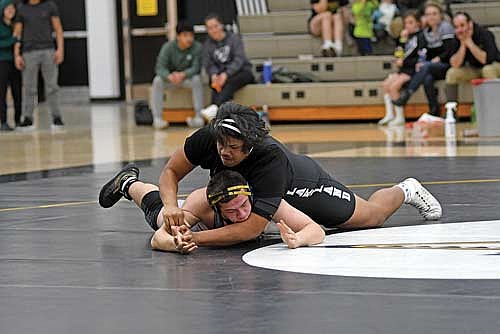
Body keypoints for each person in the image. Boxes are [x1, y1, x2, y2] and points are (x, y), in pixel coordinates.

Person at [158, 101, 442, 248]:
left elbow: (251, 229)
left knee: (370, 217)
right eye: (221, 145)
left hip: (301, 186)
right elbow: (171, 171)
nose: (224, 152)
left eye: (233, 148)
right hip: (248, 192)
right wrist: (170, 206)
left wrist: (198, 239)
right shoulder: (211, 137)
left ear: (250, 146)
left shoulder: (270, 159)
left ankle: (406, 189)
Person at [98, 166, 325, 253]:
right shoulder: (201, 203)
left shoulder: (263, 201)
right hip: (195, 218)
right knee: (160, 218)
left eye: (244, 205)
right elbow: (158, 239)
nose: (243, 214)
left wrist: (298, 239)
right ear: (216, 208)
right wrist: (176, 244)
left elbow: (315, 230)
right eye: (232, 211)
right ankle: (129, 184)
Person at [393, 2, 455, 116]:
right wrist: (422, 62)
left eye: (434, 14)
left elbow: (450, 51)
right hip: (432, 66)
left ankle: (408, 93)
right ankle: (434, 110)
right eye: (428, 14)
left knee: (425, 67)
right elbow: (422, 52)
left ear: (441, 15)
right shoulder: (426, 32)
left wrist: (437, 59)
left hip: (447, 64)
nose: (431, 17)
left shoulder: (445, 27)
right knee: (427, 79)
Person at [14, 0, 64, 130]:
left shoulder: (50, 5)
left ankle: (56, 117)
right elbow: (17, 33)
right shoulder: (21, 8)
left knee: (52, 86)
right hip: (28, 52)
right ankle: (28, 118)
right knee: (29, 87)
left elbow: (58, 29)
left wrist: (60, 49)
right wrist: (17, 54)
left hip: (48, 51)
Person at [200, 13, 254, 121]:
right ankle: (217, 117)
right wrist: (214, 74)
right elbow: (209, 64)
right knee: (215, 85)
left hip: (242, 72)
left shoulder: (234, 38)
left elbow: (239, 60)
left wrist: (226, 74)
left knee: (228, 82)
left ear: (221, 25)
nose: (214, 30)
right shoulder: (207, 45)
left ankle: (215, 108)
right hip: (221, 76)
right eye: (210, 28)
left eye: (215, 26)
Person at [151, 22, 204, 129]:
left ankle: (198, 117)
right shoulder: (168, 47)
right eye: (185, 35)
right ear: (178, 36)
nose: (189, 39)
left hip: (186, 79)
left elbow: (196, 67)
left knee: (197, 79)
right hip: (171, 80)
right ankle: (157, 118)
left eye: (191, 35)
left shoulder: (197, 47)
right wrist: (169, 76)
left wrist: (183, 74)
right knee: (157, 80)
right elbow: (160, 68)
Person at [445, 12, 500, 115]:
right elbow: (455, 64)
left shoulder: (485, 34)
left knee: (487, 70)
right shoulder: (457, 37)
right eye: (456, 27)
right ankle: (451, 113)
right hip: (474, 69)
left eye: (462, 25)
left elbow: (486, 60)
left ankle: (495, 111)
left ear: (470, 24)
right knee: (452, 73)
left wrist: (469, 42)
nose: (460, 30)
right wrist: (463, 44)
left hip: (494, 66)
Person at [379, 10, 426, 126]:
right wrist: (402, 41)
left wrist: (404, 61)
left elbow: (419, 55)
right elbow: (398, 54)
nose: (407, 26)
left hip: (412, 71)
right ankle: (390, 114)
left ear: (418, 24)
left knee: (394, 86)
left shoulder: (420, 37)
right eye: (406, 23)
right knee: (386, 84)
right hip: (403, 69)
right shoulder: (406, 37)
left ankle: (400, 117)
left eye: (410, 23)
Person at [0, 0, 21, 131]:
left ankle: (18, 120)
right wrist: (13, 39)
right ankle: (3, 121)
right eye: (8, 8)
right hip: (2, 63)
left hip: (15, 62)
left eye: (12, 8)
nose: (10, 10)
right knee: (1, 93)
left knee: (17, 91)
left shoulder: (16, 25)